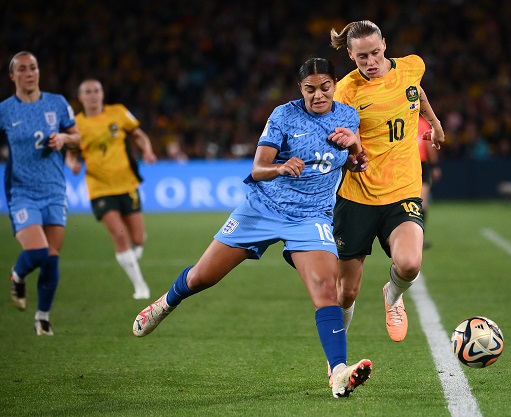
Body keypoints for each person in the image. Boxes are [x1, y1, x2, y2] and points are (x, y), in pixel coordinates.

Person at [132, 57, 372, 398]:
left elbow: (356, 162)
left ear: (334, 85)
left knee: (325, 288)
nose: (318, 95)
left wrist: (356, 146)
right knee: (203, 276)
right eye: (310, 89)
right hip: (262, 208)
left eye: (325, 87)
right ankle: (165, 303)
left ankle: (338, 373)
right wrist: (281, 167)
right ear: (299, 89)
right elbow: (258, 167)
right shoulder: (284, 115)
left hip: (312, 215)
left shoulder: (348, 116)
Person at [330, 20, 445, 342]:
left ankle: (393, 297)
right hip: (358, 194)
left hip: (403, 188)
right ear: (351, 55)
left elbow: (415, 92)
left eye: (376, 53)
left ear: (385, 44)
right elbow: (339, 136)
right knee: (346, 293)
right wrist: (350, 156)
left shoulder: (412, 66)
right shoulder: (346, 92)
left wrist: (434, 123)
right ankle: (337, 359)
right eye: (362, 56)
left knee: (409, 264)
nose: (371, 62)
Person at [0, 51, 80, 335]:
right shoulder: (5, 110)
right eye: (22, 69)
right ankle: (17, 275)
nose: (29, 73)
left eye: (33, 67)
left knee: (52, 255)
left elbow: (77, 138)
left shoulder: (57, 104)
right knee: (37, 251)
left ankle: (42, 317)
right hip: (22, 190)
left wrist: (63, 138)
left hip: (54, 190)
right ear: (13, 76)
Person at [66, 79, 156, 299]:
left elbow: (139, 135)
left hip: (127, 184)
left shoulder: (118, 112)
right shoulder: (75, 125)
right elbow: (70, 153)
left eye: (96, 90)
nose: (93, 95)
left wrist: (147, 150)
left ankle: (130, 260)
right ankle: (140, 286)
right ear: (81, 97)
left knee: (139, 238)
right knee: (119, 235)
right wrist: (72, 165)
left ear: (102, 94)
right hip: (100, 188)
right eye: (87, 91)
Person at [418, 115, 442, 249]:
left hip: (421, 165)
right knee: (421, 205)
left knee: (422, 204)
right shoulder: (421, 122)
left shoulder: (423, 124)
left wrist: (434, 165)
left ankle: (419, 238)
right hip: (407, 164)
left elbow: (428, 144)